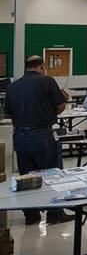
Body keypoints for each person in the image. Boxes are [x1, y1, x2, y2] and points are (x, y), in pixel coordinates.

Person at [5, 56, 73, 225]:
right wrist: (45, 113)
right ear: (42, 66)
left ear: (26, 67)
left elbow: (7, 113)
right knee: (52, 175)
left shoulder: (13, 86)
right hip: (42, 135)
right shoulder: (47, 81)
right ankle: (54, 214)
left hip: (20, 137)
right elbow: (61, 106)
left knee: (26, 178)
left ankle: (31, 215)